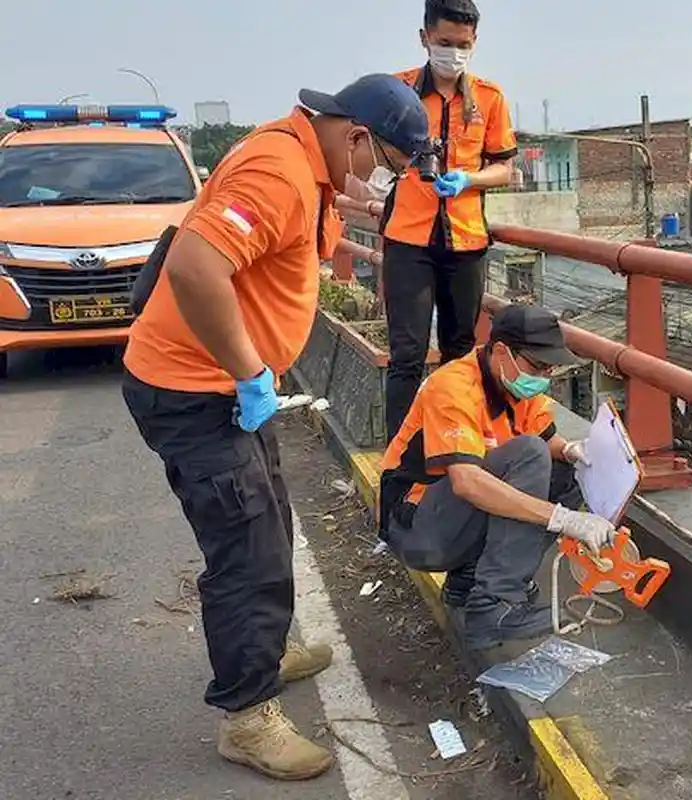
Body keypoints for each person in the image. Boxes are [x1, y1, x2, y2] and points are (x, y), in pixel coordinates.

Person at [122, 75, 430, 781]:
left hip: (223, 387)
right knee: (246, 549)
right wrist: (248, 372)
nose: (379, 178)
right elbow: (198, 266)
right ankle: (247, 715)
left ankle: (265, 646)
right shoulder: (280, 171)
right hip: (194, 389)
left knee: (273, 518)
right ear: (354, 136)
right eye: (384, 161)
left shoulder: (308, 162)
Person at [378, 305, 616, 649]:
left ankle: (470, 582)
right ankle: (493, 607)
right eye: (538, 366)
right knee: (529, 455)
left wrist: (571, 452)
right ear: (502, 351)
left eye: (551, 368)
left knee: (568, 475)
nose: (546, 376)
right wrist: (562, 519)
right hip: (415, 526)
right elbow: (467, 481)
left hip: (449, 519)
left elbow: (547, 439)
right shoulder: (453, 386)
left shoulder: (516, 386)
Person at [380, 0, 519, 441]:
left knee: (460, 353)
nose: (453, 53)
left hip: (465, 243)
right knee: (407, 354)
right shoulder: (398, 91)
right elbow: (371, 152)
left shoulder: (490, 98)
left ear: (474, 42)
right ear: (424, 37)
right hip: (408, 241)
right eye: (444, 43)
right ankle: (400, 458)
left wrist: (468, 179)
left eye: (463, 45)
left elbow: (505, 167)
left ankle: (456, 445)